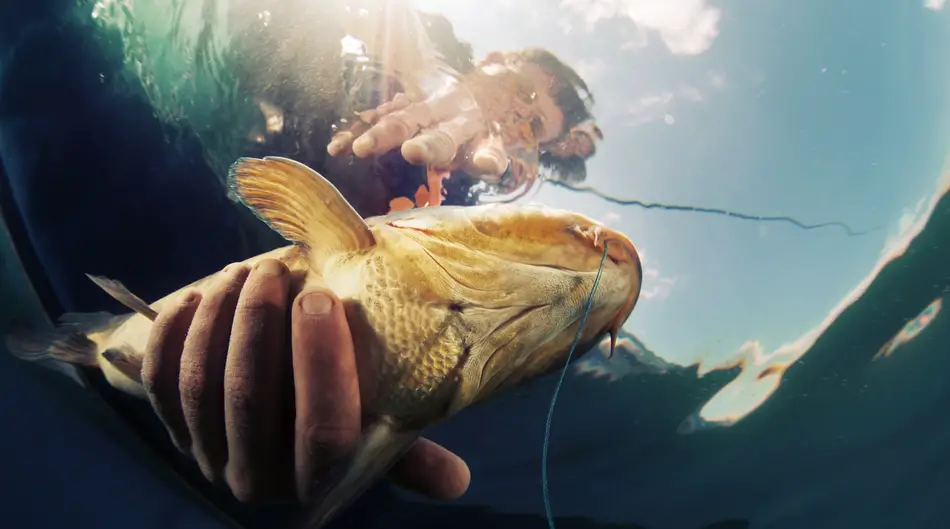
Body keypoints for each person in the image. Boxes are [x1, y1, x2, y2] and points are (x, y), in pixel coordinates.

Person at [0, 1, 602, 528]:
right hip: (217, 151)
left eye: (531, 127)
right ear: (493, 57)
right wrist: (440, 77)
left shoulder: (469, 195)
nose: (511, 120)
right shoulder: (421, 39)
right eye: (520, 93)